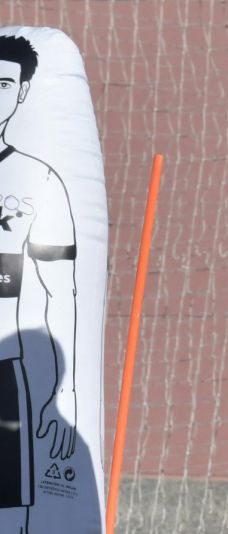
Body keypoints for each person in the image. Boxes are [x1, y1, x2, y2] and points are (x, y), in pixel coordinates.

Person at [0, 35, 78, 533]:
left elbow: (61, 293)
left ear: (22, 92)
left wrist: (63, 388)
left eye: (4, 83)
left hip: (3, 372)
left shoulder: (38, 179)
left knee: (9, 517)